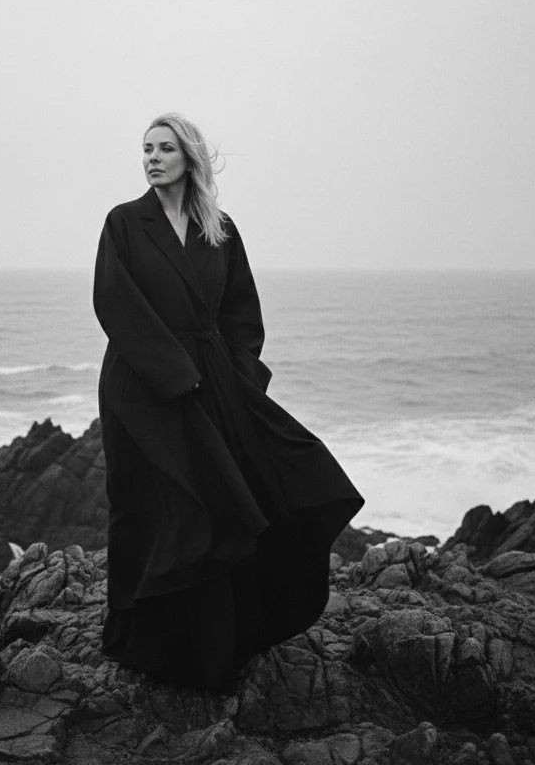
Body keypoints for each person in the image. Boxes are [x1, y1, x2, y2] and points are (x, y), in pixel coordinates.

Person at [93, 112, 364, 694]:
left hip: (210, 383)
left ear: (190, 159)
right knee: (145, 505)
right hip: (141, 387)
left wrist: (236, 376)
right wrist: (174, 373)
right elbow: (115, 303)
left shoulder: (221, 228)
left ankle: (217, 642)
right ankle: (142, 639)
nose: (153, 158)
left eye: (166, 148)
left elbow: (241, 312)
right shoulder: (123, 223)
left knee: (230, 503)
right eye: (146, 149)